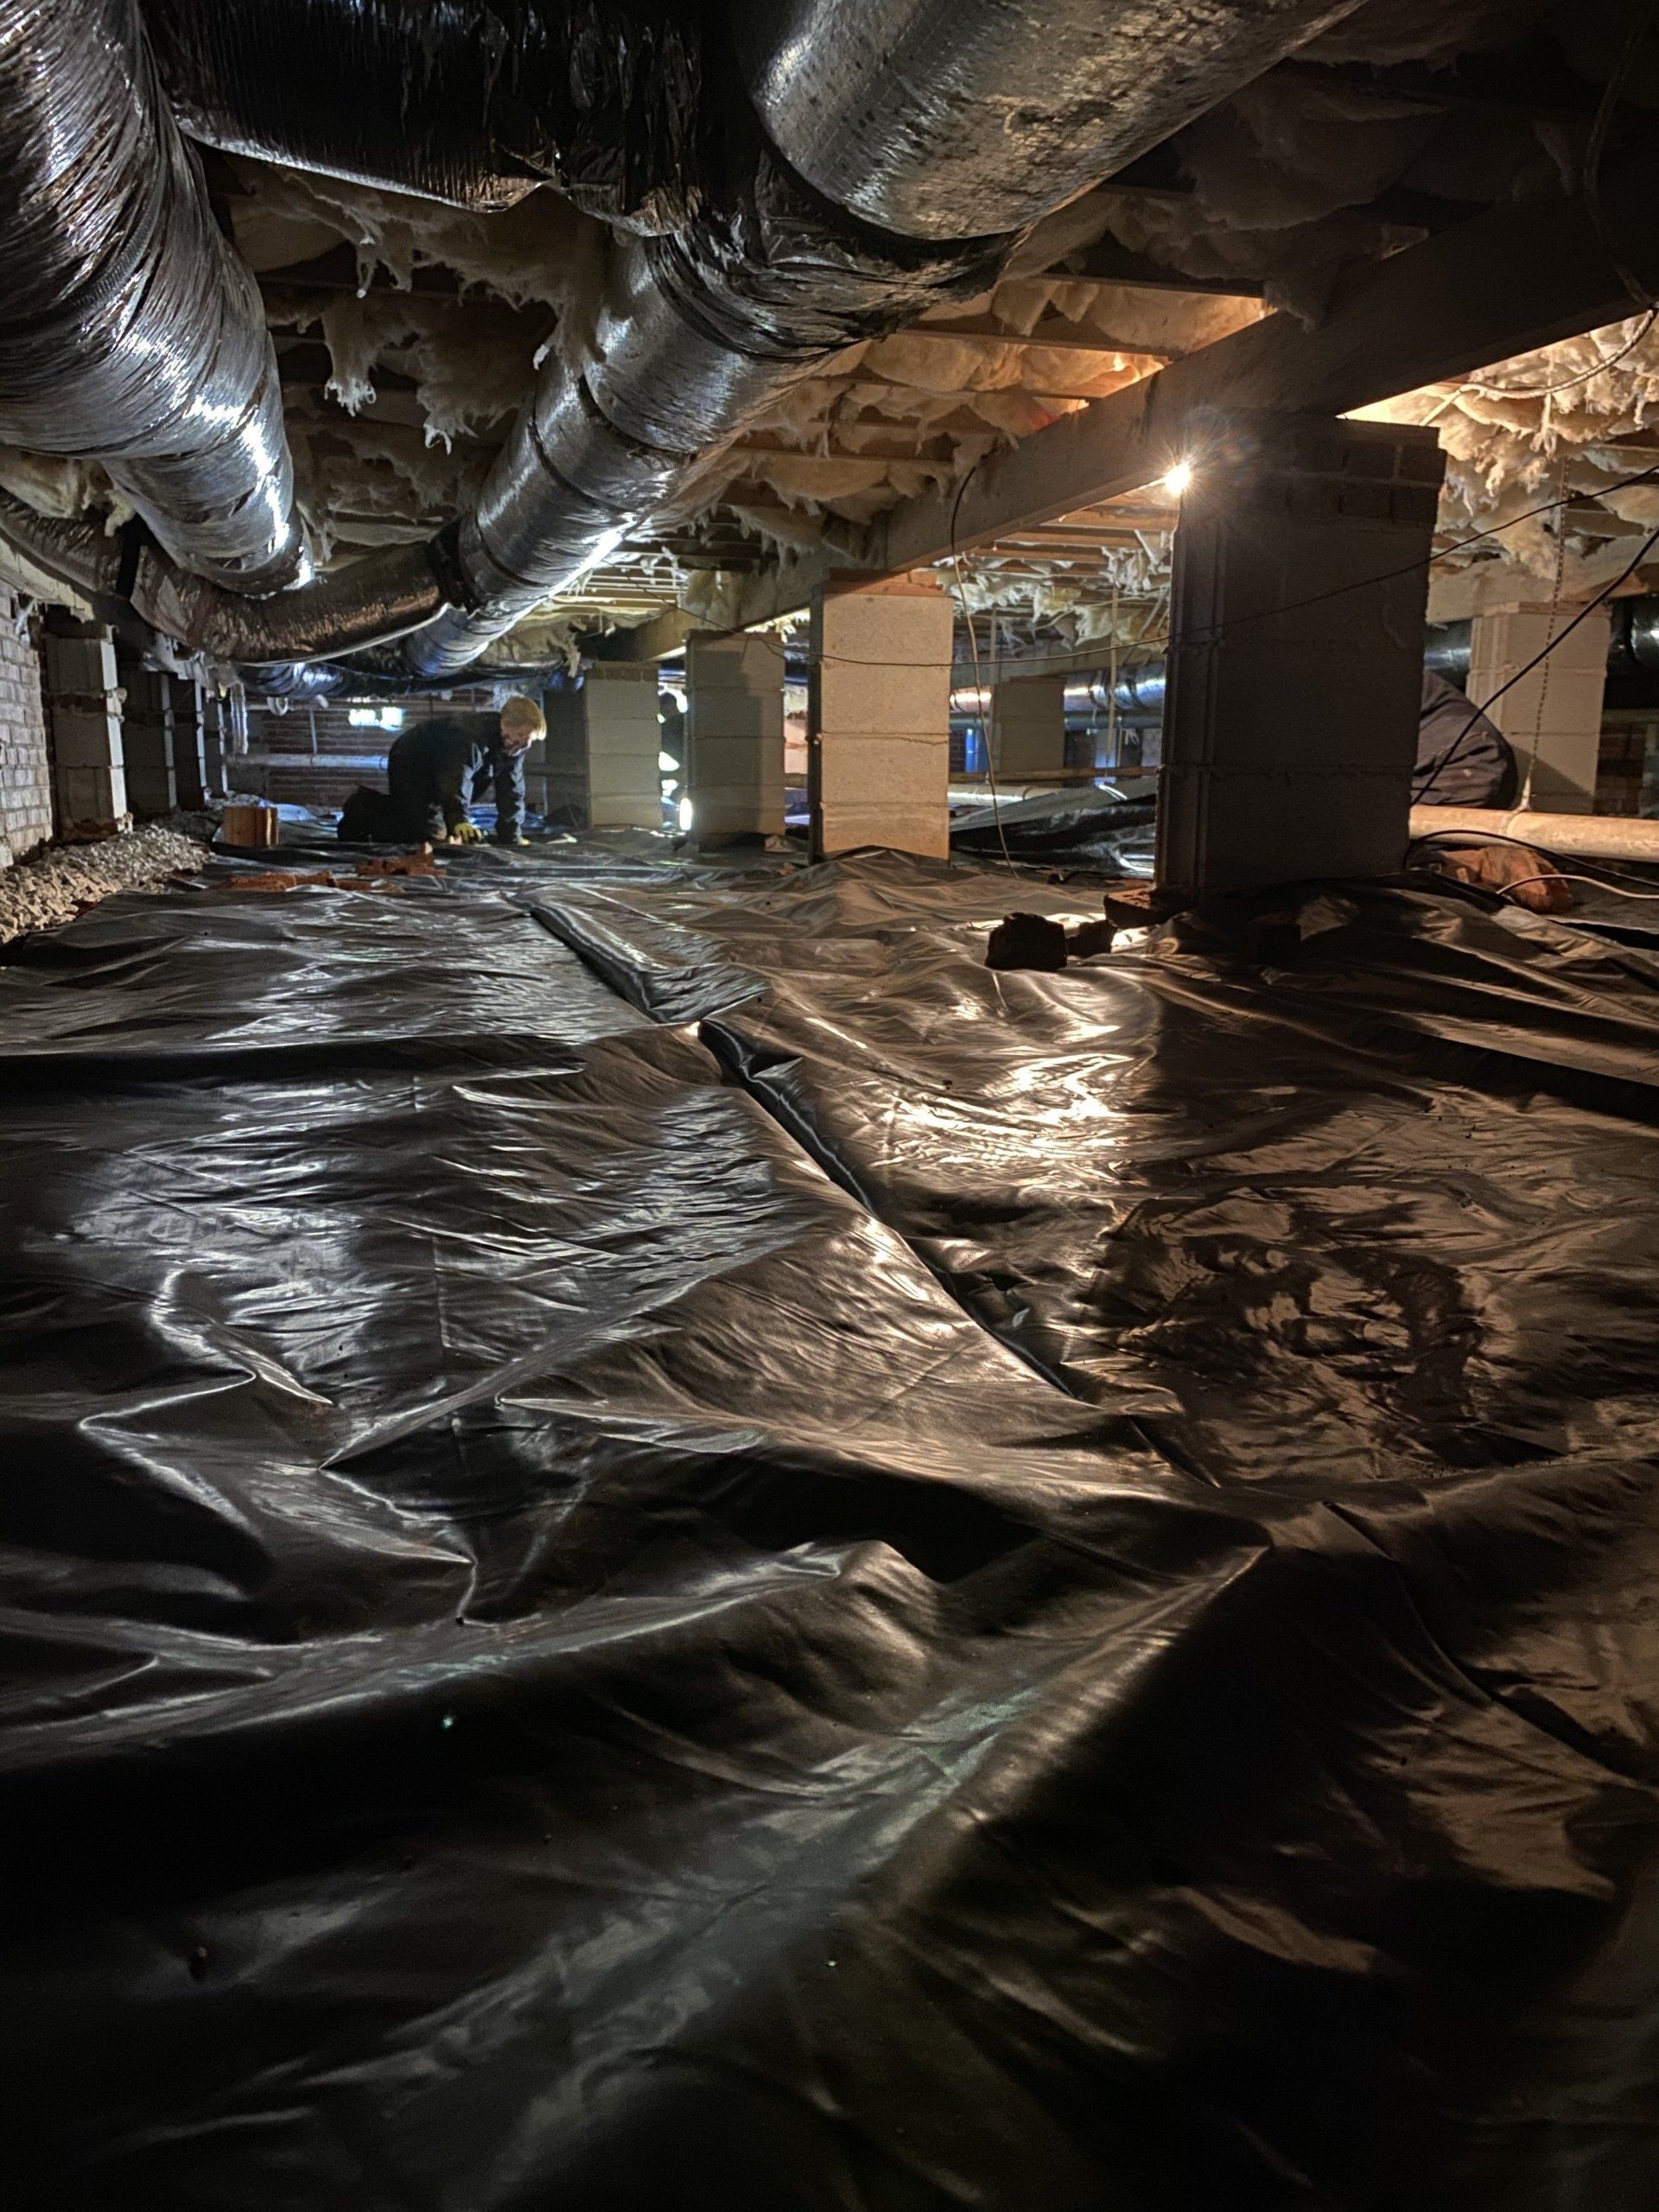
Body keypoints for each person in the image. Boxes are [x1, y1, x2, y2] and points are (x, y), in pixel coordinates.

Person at [1411, 669, 1570, 912]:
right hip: (1469, 765)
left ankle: (1479, 867)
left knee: (1360, 848)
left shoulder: (1347, 662)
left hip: (1460, 768)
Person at [382, 696, 545, 847]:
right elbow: (456, 775)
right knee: (428, 836)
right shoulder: (469, 735)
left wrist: (512, 837)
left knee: (446, 833)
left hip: (441, 772)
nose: (526, 745)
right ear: (505, 724)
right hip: (412, 763)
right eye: (522, 735)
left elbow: (512, 788)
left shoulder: (514, 744)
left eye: (531, 739)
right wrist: (459, 820)